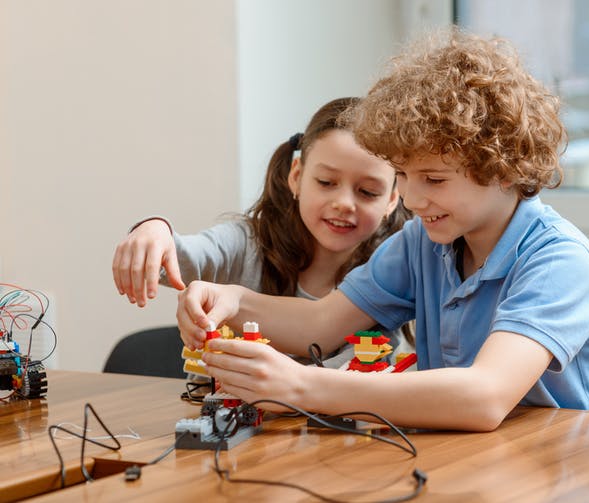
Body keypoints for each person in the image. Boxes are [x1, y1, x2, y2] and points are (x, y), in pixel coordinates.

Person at [174, 30, 589, 431]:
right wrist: (231, 299)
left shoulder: (559, 259)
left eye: (435, 179)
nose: (410, 199)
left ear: (503, 169)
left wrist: (303, 385)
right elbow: (321, 323)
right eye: (402, 176)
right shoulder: (422, 241)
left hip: (563, 472)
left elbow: (484, 397)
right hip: (465, 464)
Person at [112, 97, 412, 368]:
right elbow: (180, 257)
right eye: (326, 182)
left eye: (368, 192)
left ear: (392, 199)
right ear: (296, 176)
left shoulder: (391, 268)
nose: (344, 204)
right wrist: (155, 230)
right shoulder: (247, 242)